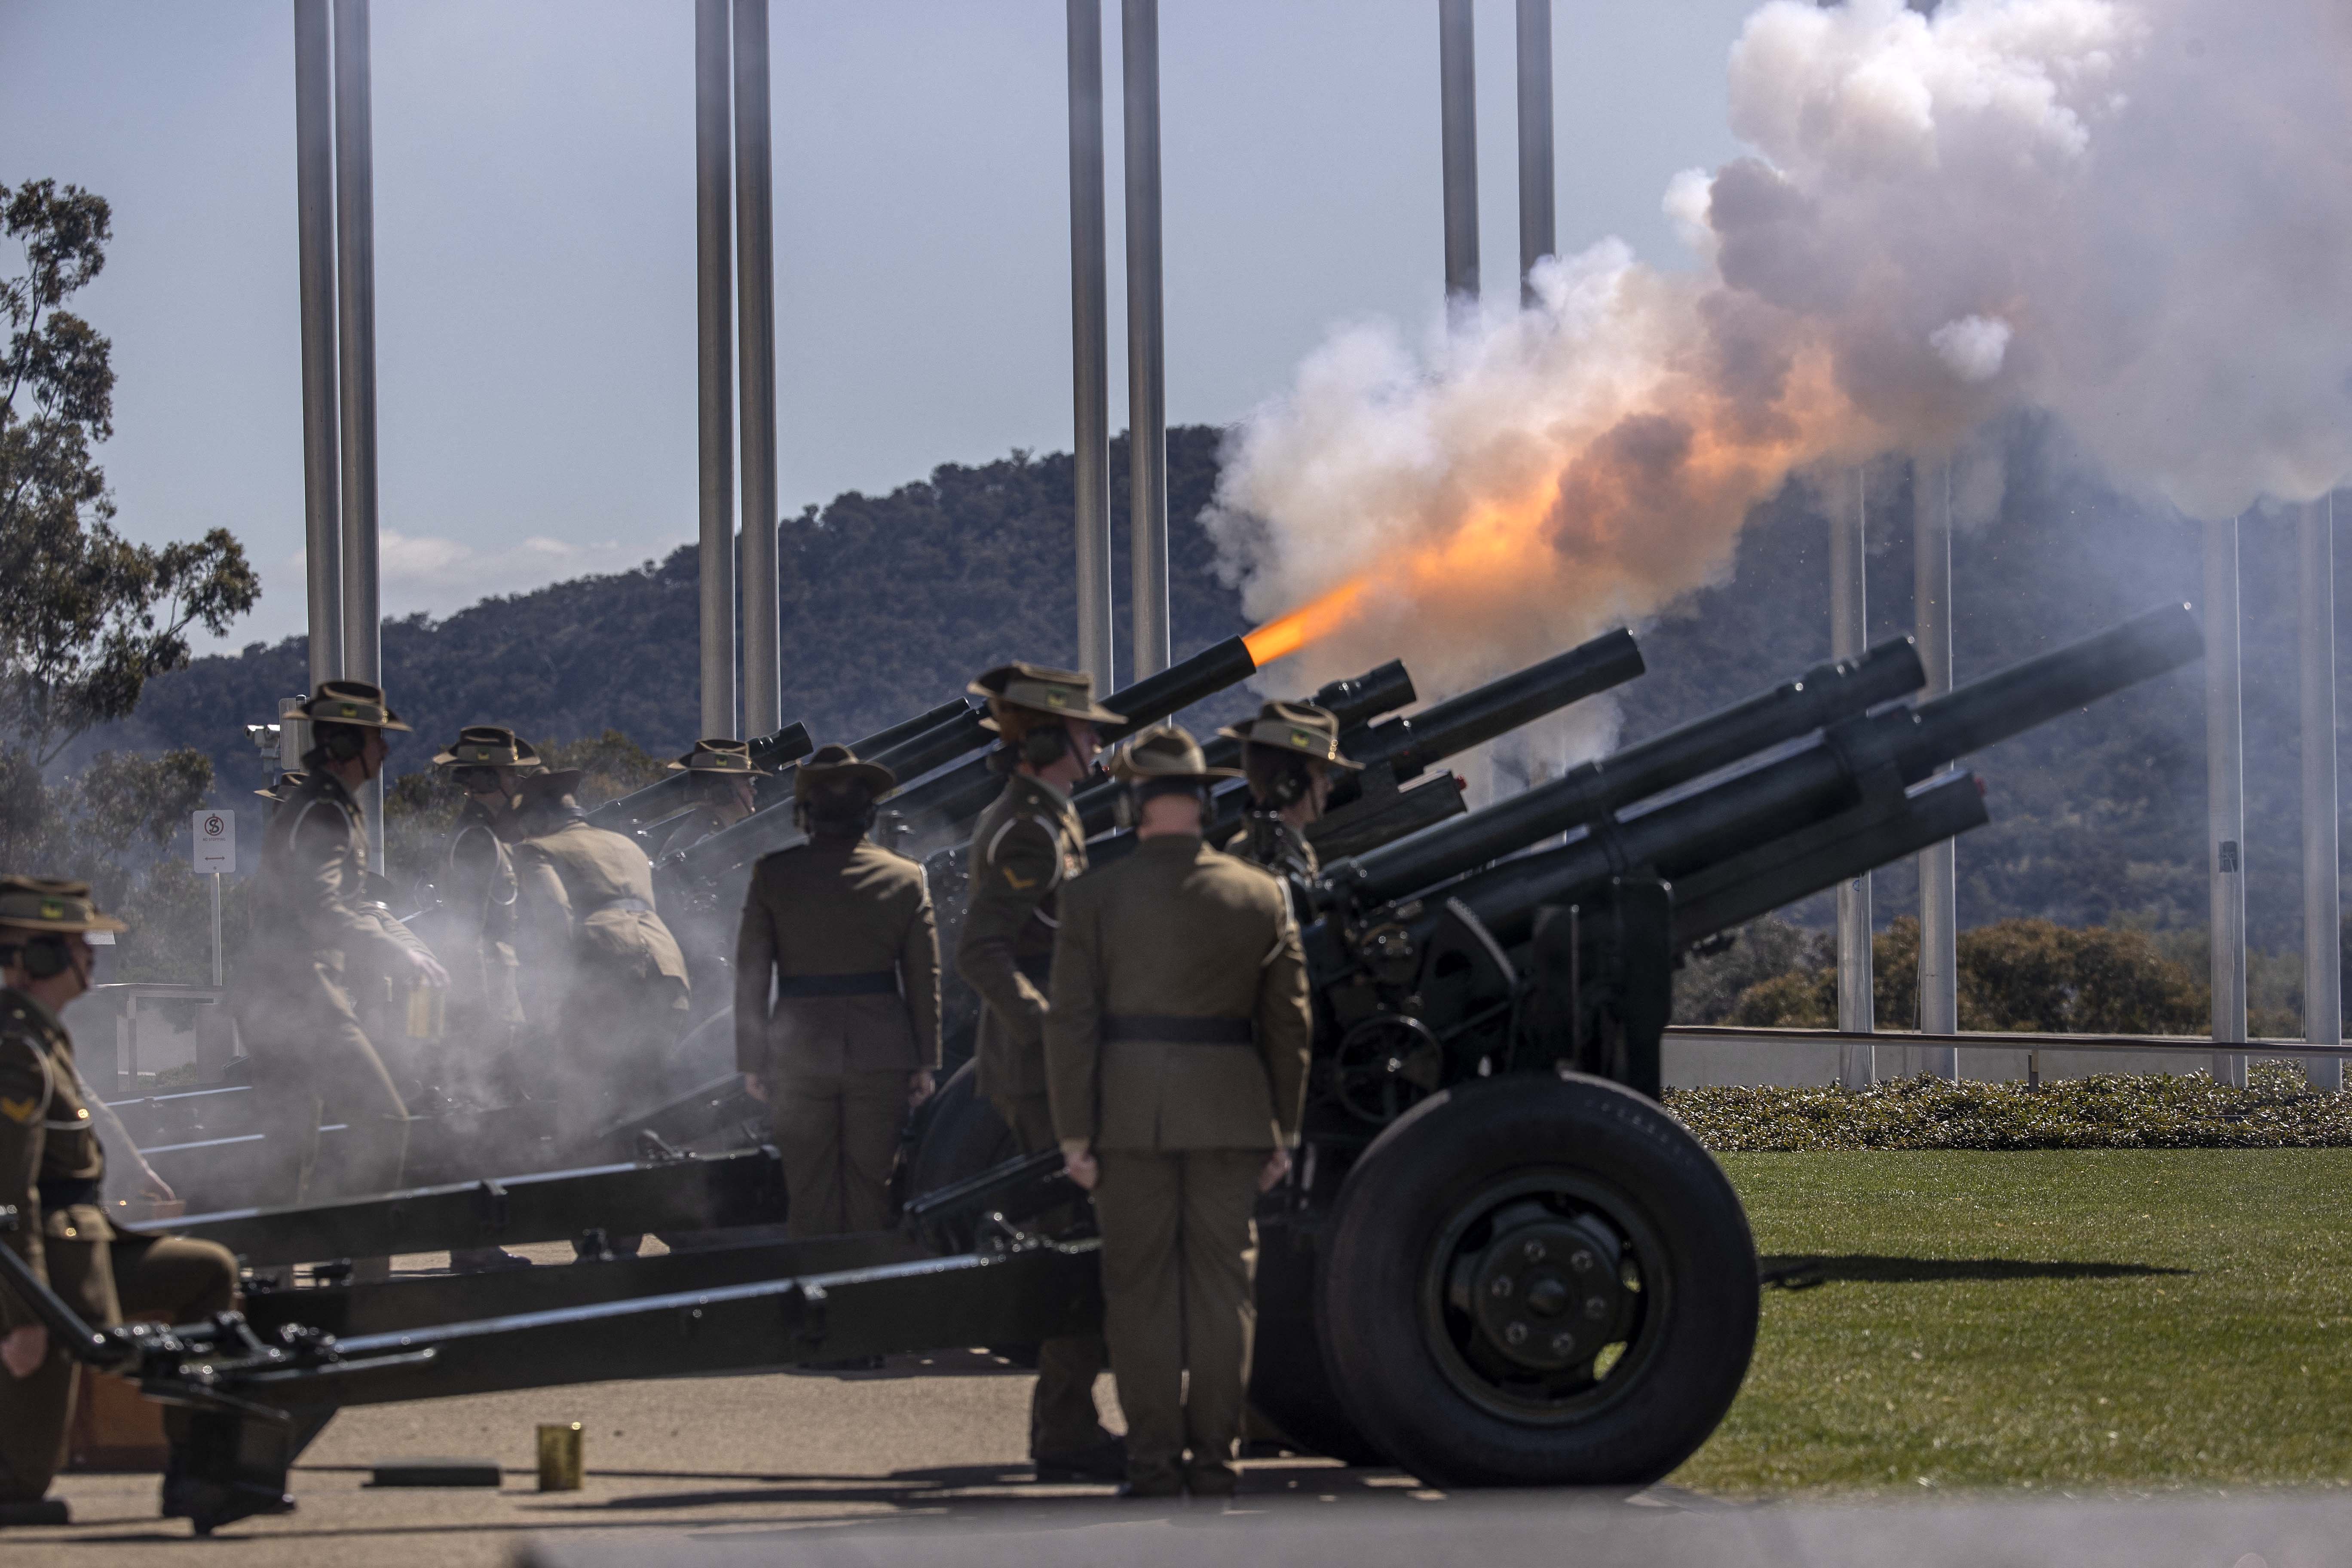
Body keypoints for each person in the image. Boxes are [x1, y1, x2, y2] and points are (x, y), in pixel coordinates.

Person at [1043, 725, 1314, 1501]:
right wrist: (1283, 1129)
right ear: (1201, 801)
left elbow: (1071, 1021)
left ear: (1134, 803)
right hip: (1231, 1113)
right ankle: (1216, 1461)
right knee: (1226, 1295)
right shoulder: (1260, 893)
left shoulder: (1093, 893)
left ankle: (1154, 1463)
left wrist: (1073, 1131)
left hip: (1127, 1119)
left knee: (1139, 1295)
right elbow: (1289, 1024)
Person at [0, 877, 246, 1527]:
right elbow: (5, 1194)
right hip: (42, 1276)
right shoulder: (14, 1051)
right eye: (77, 945)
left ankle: (198, 1473)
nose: (91, 955)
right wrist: (24, 1316)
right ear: (40, 959)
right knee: (20, 1487)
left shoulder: (39, 1037)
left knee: (209, 1270)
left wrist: (133, 1164)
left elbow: (86, 1111)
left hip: (75, 1254)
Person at [955, 661, 1127, 1484]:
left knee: (1080, 1237)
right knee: (1077, 1241)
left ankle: (1068, 1421)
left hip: (1046, 1061)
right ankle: (1064, 1430)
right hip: (1041, 1068)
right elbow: (982, 949)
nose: (1099, 743)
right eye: (1089, 731)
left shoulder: (1046, 815)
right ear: (1053, 739)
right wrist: (1053, 1027)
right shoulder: (1029, 827)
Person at [239, 680, 445, 1207]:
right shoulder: (324, 812)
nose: (386, 750)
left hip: (282, 996)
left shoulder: (321, 805)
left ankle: (279, 1277)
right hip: (301, 994)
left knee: (292, 1155)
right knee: (385, 1121)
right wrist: (397, 953)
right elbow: (323, 910)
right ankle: (362, 1269)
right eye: (377, 739)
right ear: (350, 747)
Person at [735, 745, 939, 1237]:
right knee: (872, 1187)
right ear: (869, 813)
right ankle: (866, 1301)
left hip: (798, 1054)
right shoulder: (906, 877)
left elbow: (752, 976)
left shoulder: (773, 875)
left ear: (806, 814)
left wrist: (752, 1060)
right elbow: (922, 977)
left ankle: (819, 1299)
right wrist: (925, 1061)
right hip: (881, 1054)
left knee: (809, 1191)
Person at [508, 766, 692, 1148]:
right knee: (648, 1097)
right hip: (668, 970)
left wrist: (552, 993)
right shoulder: (627, 845)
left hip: (606, 972)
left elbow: (554, 915)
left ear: (538, 821)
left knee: (581, 1097)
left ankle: (583, 1185)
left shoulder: (535, 850)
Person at [432, 726, 540, 1272]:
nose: (521, 783)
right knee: (479, 1120)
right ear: (493, 779)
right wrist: (481, 1012)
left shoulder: (486, 835)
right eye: (515, 774)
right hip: (483, 997)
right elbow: (470, 930)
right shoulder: (477, 840)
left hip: (492, 991)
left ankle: (476, 1244)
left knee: (488, 1117)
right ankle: (473, 1248)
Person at [1216, 700, 1361, 891]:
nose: (1330, 785)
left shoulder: (1255, 848)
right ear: (1291, 784)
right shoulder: (1274, 860)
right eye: (1321, 772)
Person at [656, 738, 765, 861]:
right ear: (723, 792)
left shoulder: (701, 832)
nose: (754, 791)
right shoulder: (706, 842)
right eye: (746, 784)